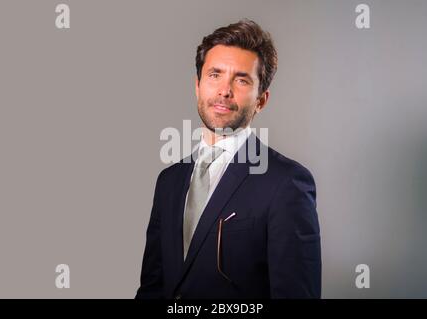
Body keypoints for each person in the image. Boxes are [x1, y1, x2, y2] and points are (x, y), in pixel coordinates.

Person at [135, 19, 321, 299]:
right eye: (215, 75)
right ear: (198, 85)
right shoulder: (169, 182)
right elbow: (153, 288)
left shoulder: (286, 184)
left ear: (261, 100)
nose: (224, 90)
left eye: (241, 79)